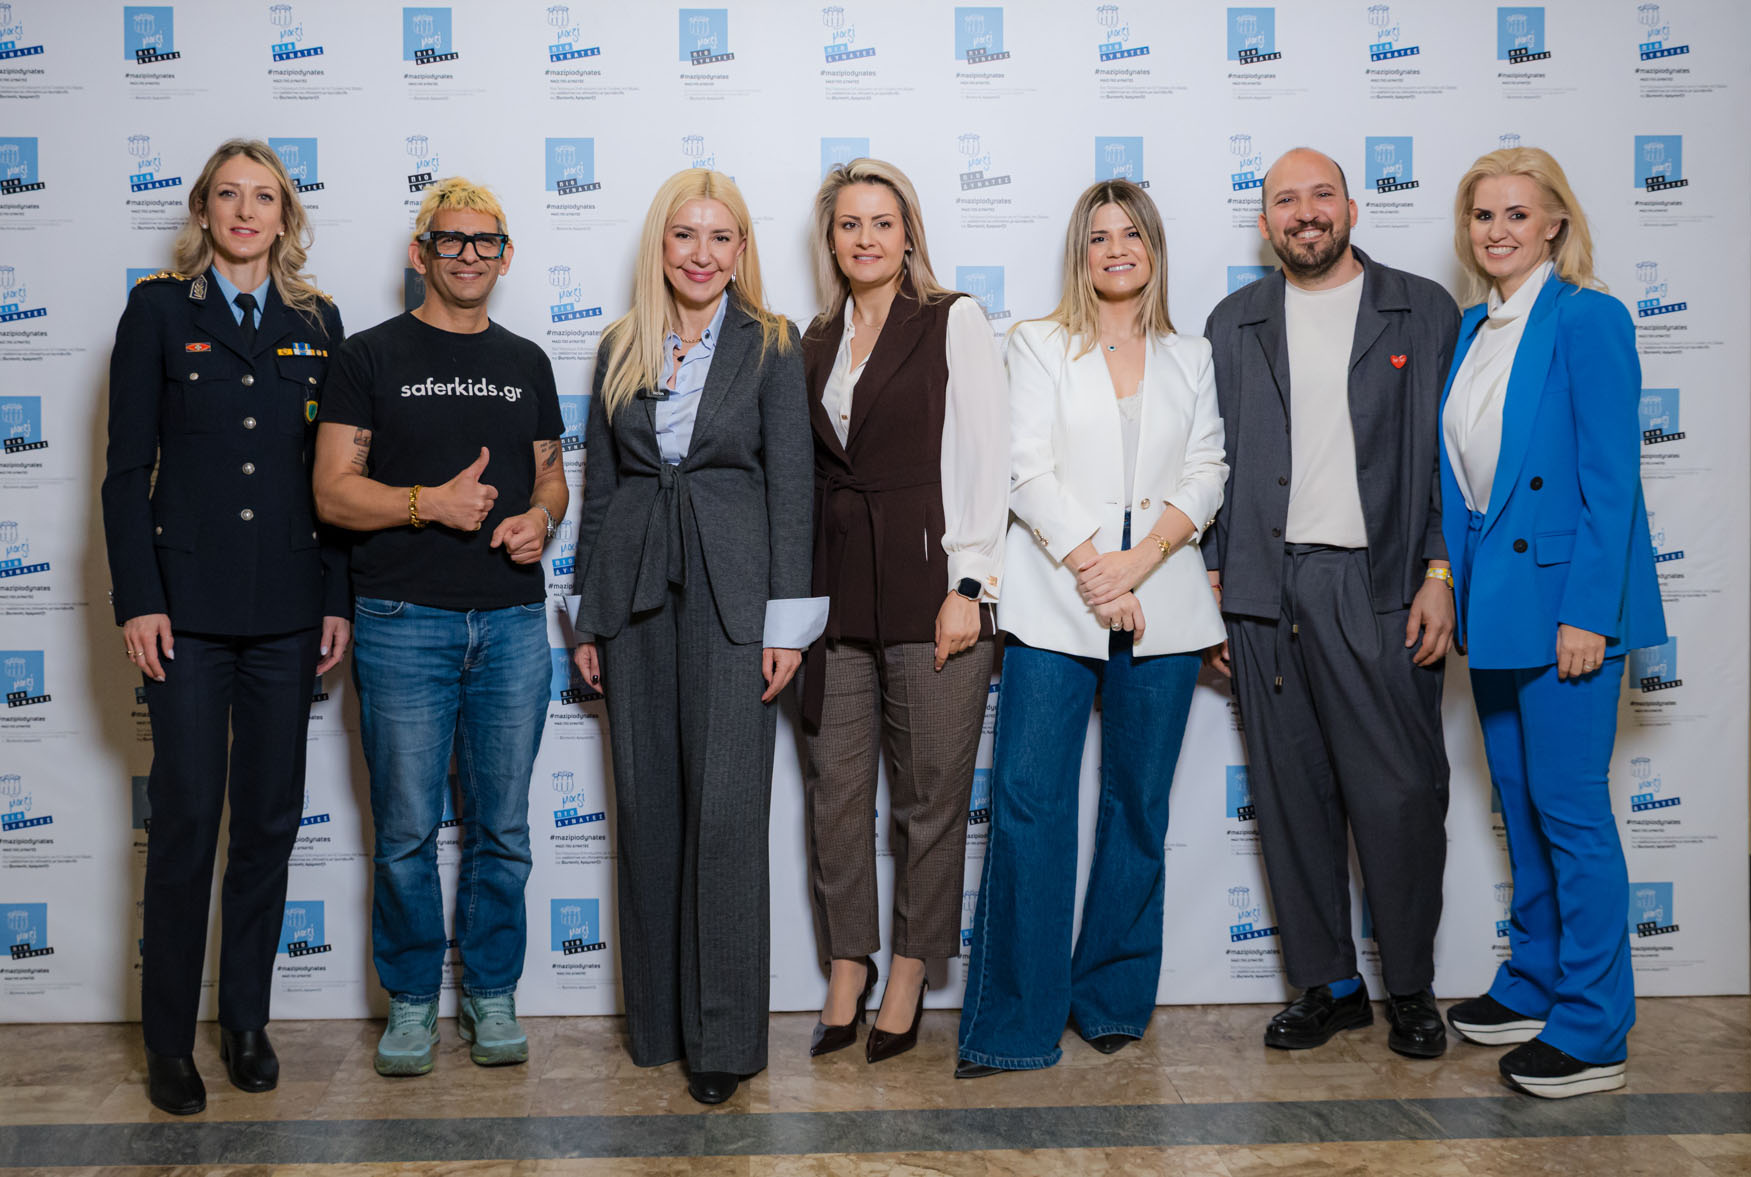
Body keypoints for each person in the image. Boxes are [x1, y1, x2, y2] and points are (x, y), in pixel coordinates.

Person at [100, 138, 349, 1115]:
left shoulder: (317, 321)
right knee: (188, 818)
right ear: (203, 209)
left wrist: (336, 597)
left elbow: (335, 479)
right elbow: (127, 472)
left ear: (286, 215)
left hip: (287, 612)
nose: (247, 212)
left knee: (270, 822)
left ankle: (246, 1019)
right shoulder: (160, 311)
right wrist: (139, 597)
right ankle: (169, 1041)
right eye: (230, 195)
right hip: (187, 616)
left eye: (265, 197)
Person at [956, 179, 1226, 1077]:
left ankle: (1110, 998)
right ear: (1080, 252)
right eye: (1099, 236)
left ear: (1153, 248)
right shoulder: (1036, 343)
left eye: (1130, 234)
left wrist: (1139, 561)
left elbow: (1208, 468)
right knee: (1029, 804)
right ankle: (1013, 1023)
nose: (1116, 249)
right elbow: (1023, 468)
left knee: (1136, 808)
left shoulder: (1191, 355)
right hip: (1054, 603)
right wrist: (1094, 573)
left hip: (1164, 606)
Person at [1201, 148, 1458, 1059]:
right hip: (1264, 590)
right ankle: (1329, 985)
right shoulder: (1232, 322)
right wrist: (1214, 577)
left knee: (1399, 797)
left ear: (1351, 207)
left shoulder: (1421, 308)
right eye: (1285, 200)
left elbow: (1451, 456)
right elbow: (1208, 461)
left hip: (1379, 585)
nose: (1304, 213)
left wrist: (1438, 570)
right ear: (1264, 220)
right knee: (1290, 797)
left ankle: (1411, 986)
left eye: (1320, 196)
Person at [569, 169, 818, 1106]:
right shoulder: (620, 344)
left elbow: (792, 488)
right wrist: (589, 615)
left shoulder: (772, 345)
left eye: (720, 237)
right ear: (660, 245)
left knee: (725, 814)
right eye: (685, 235)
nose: (701, 255)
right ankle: (658, 1025)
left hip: (734, 598)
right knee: (646, 805)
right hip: (632, 591)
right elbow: (601, 488)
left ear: (741, 250)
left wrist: (786, 622)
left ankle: (722, 1037)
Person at [312, 177, 566, 1078]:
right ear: (420, 253)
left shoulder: (527, 360)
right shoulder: (367, 355)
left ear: (506, 255)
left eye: (484, 241)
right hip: (400, 620)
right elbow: (332, 492)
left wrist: (540, 518)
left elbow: (551, 476)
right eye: (449, 240)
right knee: (407, 831)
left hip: (511, 623)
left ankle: (491, 992)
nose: (467, 255)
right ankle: (413, 997)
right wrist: (429, 503)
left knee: (503, 829)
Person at [1438, 147, 1666, 1099]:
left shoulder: (1587, 317)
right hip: (1495, 605)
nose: (1496, 231)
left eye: (1516, 215)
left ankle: (1592, 1027)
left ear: (1553, 226)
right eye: (1482, 215)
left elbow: (1612, 483)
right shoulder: (1471, 326)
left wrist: (1587, 615)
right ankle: (1533, 981)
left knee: (1571, 815)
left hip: (1565, 607)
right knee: (1522, 807)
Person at [799, 158, 1008, 1064]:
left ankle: (912, 969)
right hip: (833, 591)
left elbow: (987, 455)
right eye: (849, 223)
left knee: (929, 799)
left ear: (909, 233)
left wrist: (970, 587)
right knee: (835, 794)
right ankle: (848, 963)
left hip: (933, 588)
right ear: (831, 238)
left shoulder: (952, 318)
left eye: (882, 222)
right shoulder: (814, 337)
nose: (866, 238)